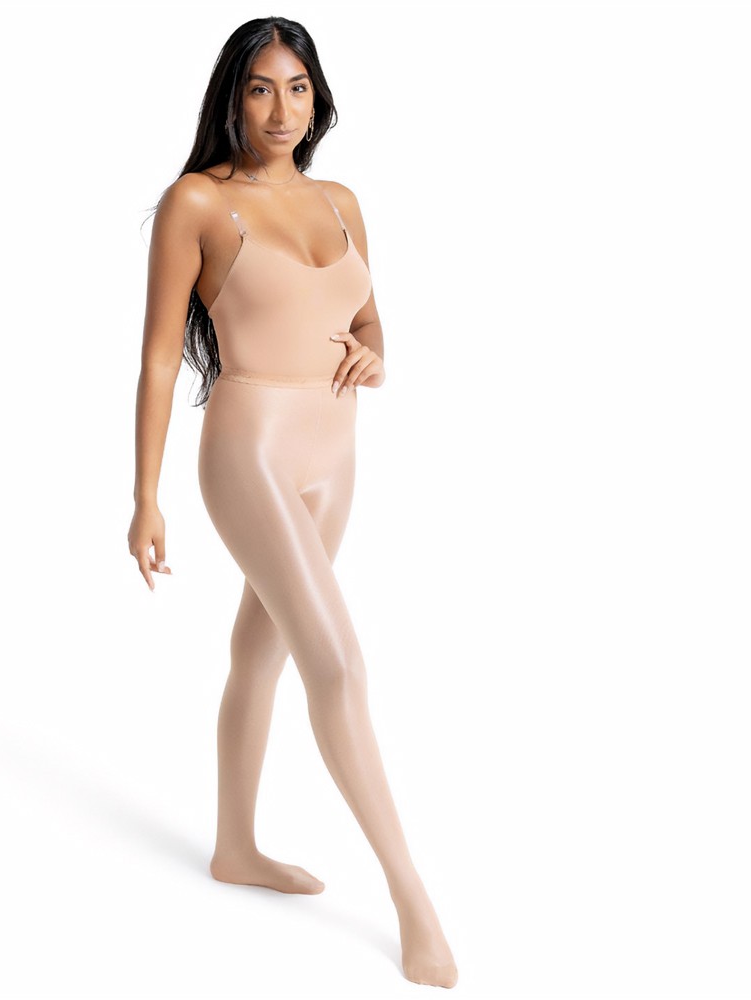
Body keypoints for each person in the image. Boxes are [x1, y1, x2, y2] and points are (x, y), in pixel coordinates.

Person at [128, 16, 458, 990]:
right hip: (252, 449)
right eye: (261, 88)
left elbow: (368, 318)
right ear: (231, 97)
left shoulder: (340, 201)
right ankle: (413, 900)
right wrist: (144, 496)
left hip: (335, 453)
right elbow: (158, 357)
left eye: (298, 86)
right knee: (338, 662)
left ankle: (235, 846)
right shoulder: (197, 201)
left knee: (260, 649)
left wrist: (376, 356)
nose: (281, 109)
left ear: (319, 96)